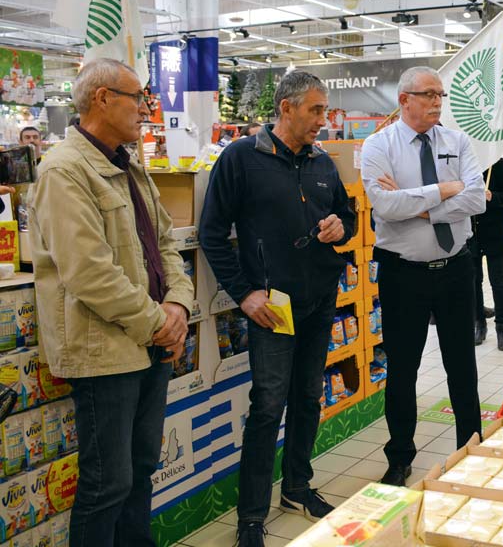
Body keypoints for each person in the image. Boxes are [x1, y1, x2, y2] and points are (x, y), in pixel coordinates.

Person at [28, 58, 195, 547]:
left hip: (150, 342)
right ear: (102, 98)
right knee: (108, 483)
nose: (146, 108)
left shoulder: (130, 166)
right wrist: (158, 323)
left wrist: (179, 307)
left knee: (142, 468)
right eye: (137, 97)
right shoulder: (64, 171)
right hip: (105, 351)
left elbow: (167, 245)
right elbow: (89, 272)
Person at [199, 70, 356, 547]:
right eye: (315, 110)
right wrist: (245, 293)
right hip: (272, 307)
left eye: (324, 110)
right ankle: (251, 516)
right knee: (268, 406)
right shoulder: (242, 158)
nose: (322, 120)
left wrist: (339, 227)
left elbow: (347, 217)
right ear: (286, 108)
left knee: (308, 397)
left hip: (318, 299)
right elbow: (211, 234)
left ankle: (297, 488)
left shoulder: (322, 161)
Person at [360, 66, 486, 487]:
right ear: (404, 100)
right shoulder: (378, 145)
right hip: (403, 275)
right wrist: (445, 190)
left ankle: (471, 448)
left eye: (440, 95)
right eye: (428, 95)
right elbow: (384, 205)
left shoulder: (457, 141)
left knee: (462, 365)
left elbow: (477, 199)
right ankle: (400, 457)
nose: (436, 103)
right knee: (402, 369)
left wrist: (419, 203)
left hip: (455, 269)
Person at [471, 158, 503, 350]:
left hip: (495, 234)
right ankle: (480, 324)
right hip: (471, 233)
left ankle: (501, 327)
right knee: (474, 282)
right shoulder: (466, 164)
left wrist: (491, 196)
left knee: (497, 281)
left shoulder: (497, 164)